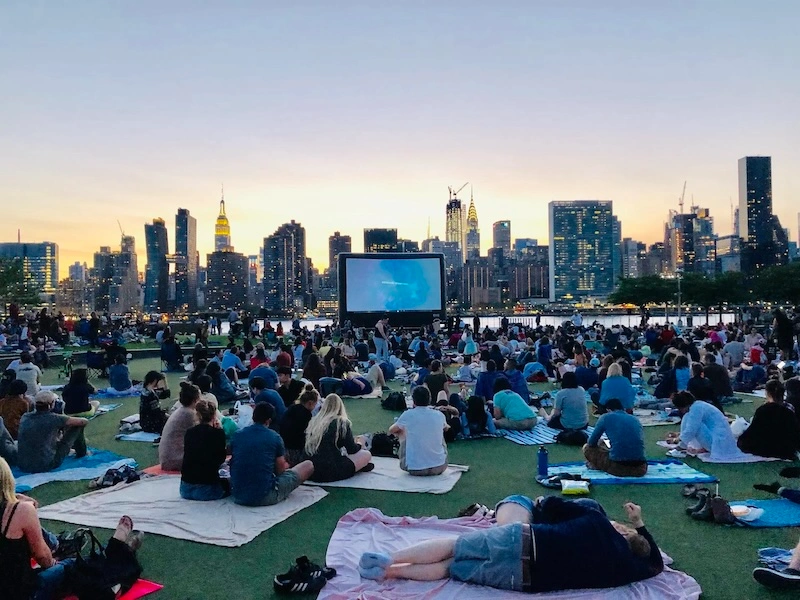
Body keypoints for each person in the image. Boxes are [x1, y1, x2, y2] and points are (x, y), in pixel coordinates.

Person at [358, 497, 663, 593]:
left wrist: (637, 522)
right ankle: (391, 574)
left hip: (525, 540)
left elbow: (553, 505)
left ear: (624, 535)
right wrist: (639, 531)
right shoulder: (624, 569)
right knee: (451, 568)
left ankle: (388, 556)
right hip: (525, 579)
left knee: (455, 545)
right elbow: (655, 564)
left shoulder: (596, 520)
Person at [230, 402, 314, 506]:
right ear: (268, 421)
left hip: (237, 494)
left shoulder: (237, 435)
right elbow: (280, 471)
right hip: (265, 496)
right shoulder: (274, 437)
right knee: (308, 465)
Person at [305, 393, 373, 482]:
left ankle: (358, 466)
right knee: (366, 454)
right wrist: (360, 443)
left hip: (310, 470)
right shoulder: (341, 422)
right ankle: (359, 466)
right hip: (330, 470)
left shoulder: (314, 421)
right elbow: (352, 450)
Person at [17, 391, 89, 473]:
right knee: (77, 426)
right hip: (45, 465)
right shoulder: (54, 419)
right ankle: (82, 452)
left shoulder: (25, 417)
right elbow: (84, 421)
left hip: (23, 465)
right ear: (51, 404)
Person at [388, 387, 448, 476]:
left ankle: (408, 458)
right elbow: (446, 428)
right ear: (429, 399)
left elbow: (392, 430)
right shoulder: (439, 415)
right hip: (440, 466)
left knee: (401, 430)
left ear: (413, 400)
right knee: (438, 432)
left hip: (415, 468)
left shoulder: (408, 415)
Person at [737, 379, 800, 459]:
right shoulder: (789, 408)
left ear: (767, 393)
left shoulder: (763, 409)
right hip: (785, 447)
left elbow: (754, 431)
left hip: (765, 447)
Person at [584, 398, 647, 477]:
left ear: (608, 410)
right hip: (641, 468)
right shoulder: (635, 419)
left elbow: (591, 442)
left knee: (587, 448)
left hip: (617, 467)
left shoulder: (605, 417)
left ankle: (596, 464)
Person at [180, 399, 229, 501]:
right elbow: (220, 459)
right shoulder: (218, 434)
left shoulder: (190, 433)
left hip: (185, 488)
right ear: (214, 415)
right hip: (207, 489)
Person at [672, 390, 742, 460]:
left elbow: (691, 429)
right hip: (720, 439)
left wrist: (680, 445)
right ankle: (686, 445)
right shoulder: (698, 406)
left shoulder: (696, 409)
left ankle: (682, 446)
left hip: (719, 442)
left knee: (694, 425)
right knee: (688, 418)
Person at [159, 382, 200, 472]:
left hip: (167, 458)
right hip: (174, 460)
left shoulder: (181, 411)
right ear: (195, 400)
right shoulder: (189, 414)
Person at [279, 384, 319, 466]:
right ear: (310, 403)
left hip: (284, 446)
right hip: (296, 448)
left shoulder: (292, 408)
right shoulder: (306, 414)